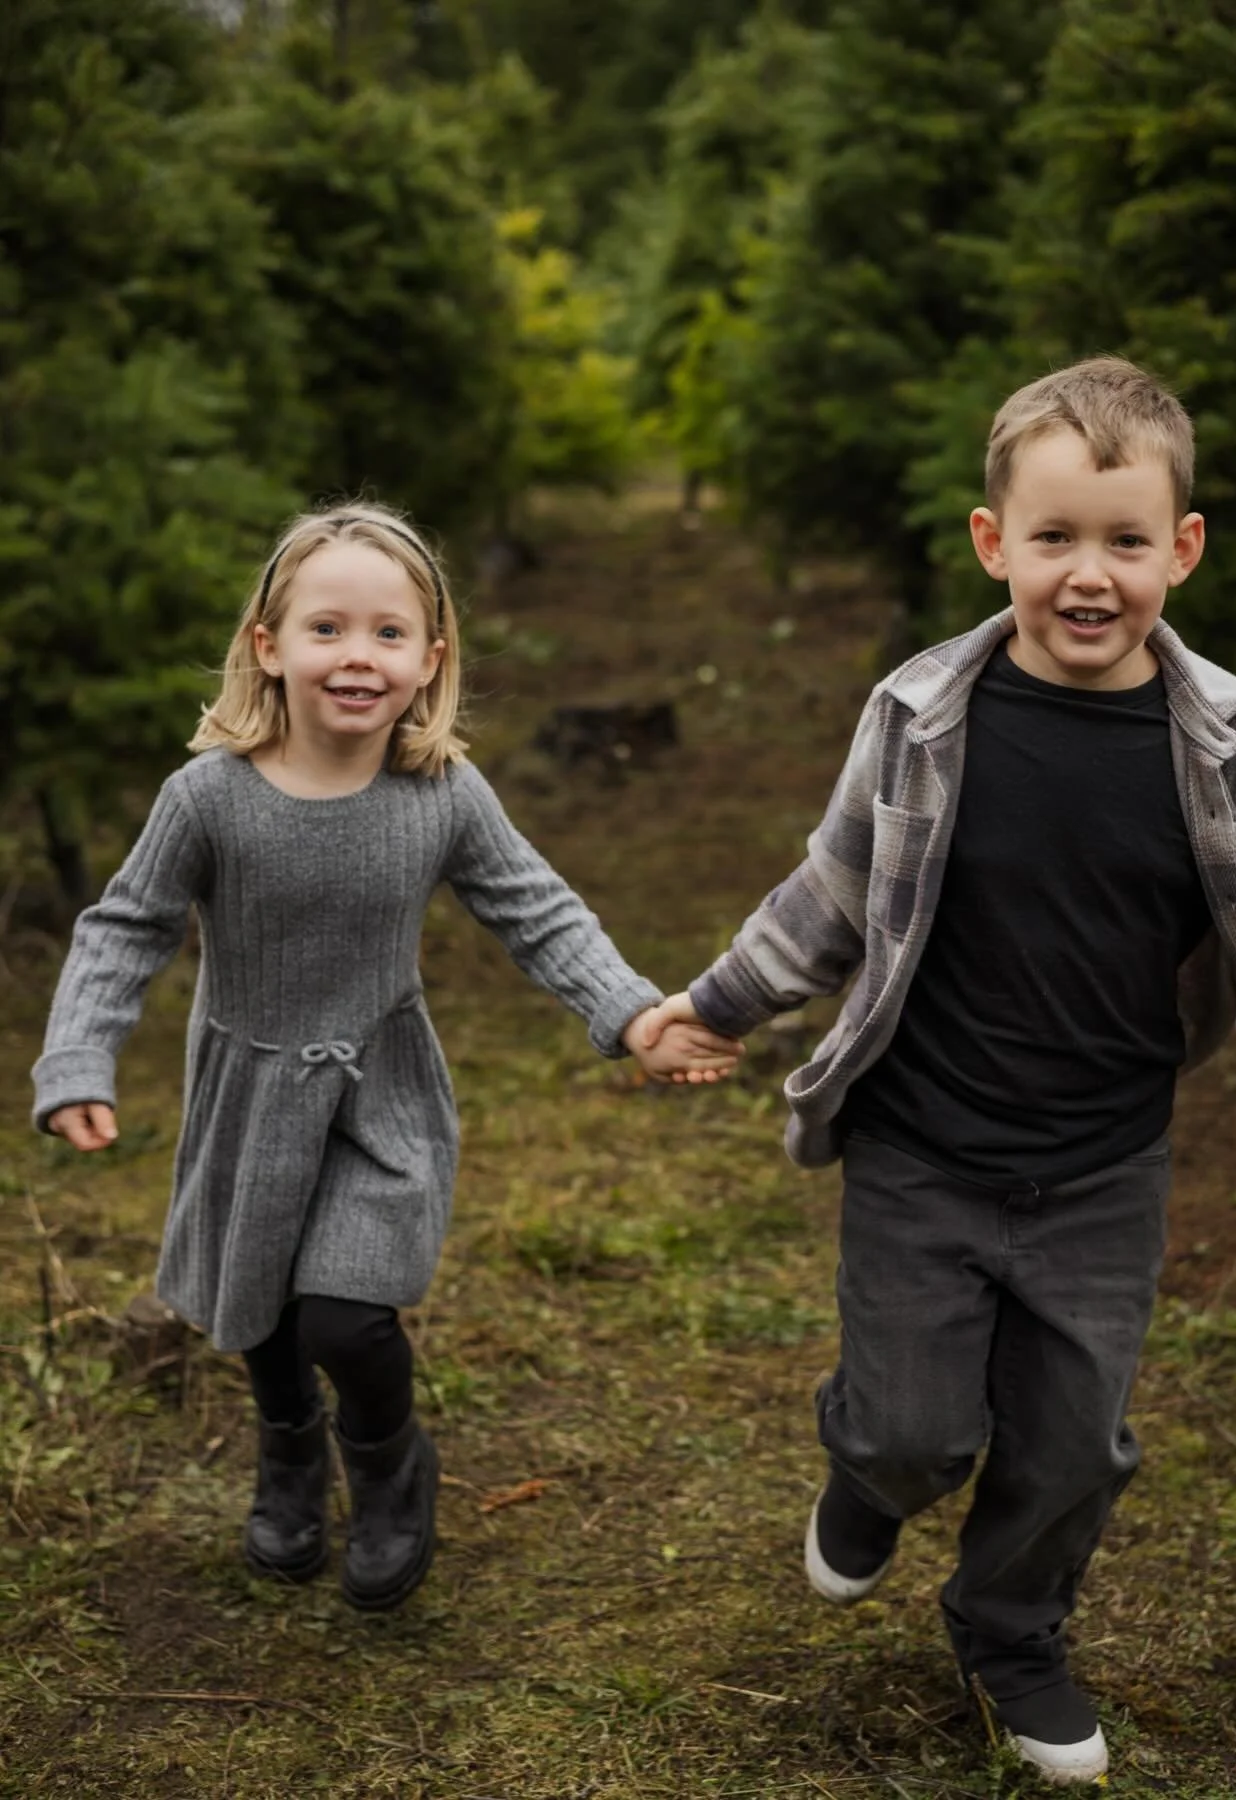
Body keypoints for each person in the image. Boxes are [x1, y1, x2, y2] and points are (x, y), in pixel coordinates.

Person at [640, 358, 1236, 1784]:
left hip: (1104, 1170)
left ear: (1182, 548)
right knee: (917, 1430)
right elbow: (835, 889)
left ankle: (1010, 1631)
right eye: (1054, 539)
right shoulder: (925, 716)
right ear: (995, 543)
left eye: (1126, 541)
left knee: (1070, 1452)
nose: (1090, 575)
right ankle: (869, 1474)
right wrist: (723, 1002)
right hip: (924, 1154)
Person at [32, 502, 741, 1612]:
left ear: (429, 659)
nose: (357, 655)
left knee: (345, 1314)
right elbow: (124, 927)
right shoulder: (208, 797)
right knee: (258, 1307)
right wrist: (77, 1057)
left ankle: (389, 1461)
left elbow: (539, 913)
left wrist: (635, 1015)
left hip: (382, 1092)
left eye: (388, 634)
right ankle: (288, 1457)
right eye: (326, 629)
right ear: (268, 645)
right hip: (249, 1089)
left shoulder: (440, 794)